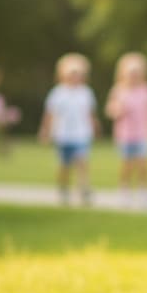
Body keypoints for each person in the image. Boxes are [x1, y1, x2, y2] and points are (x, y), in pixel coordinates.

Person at [38, 52, 100, 205]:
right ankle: (63, 189)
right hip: (63, 134)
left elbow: (90, 113)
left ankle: (84, 188)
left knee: (82, 161)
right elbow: (50, 114)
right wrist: (45, 131)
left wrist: (95, 127)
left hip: (81, 133)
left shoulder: (85, 92)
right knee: (64, 165)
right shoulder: (58, 93)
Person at [105, 51, 147, 205]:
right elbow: (111, 109)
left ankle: (144, 190)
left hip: (143, 133)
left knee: (143, 164)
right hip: (125, 134)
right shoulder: (119, 90)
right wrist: (118, 110)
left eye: (137, 73)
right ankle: (124, 190)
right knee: (127, 164)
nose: (134, 76)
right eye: (131, 73)